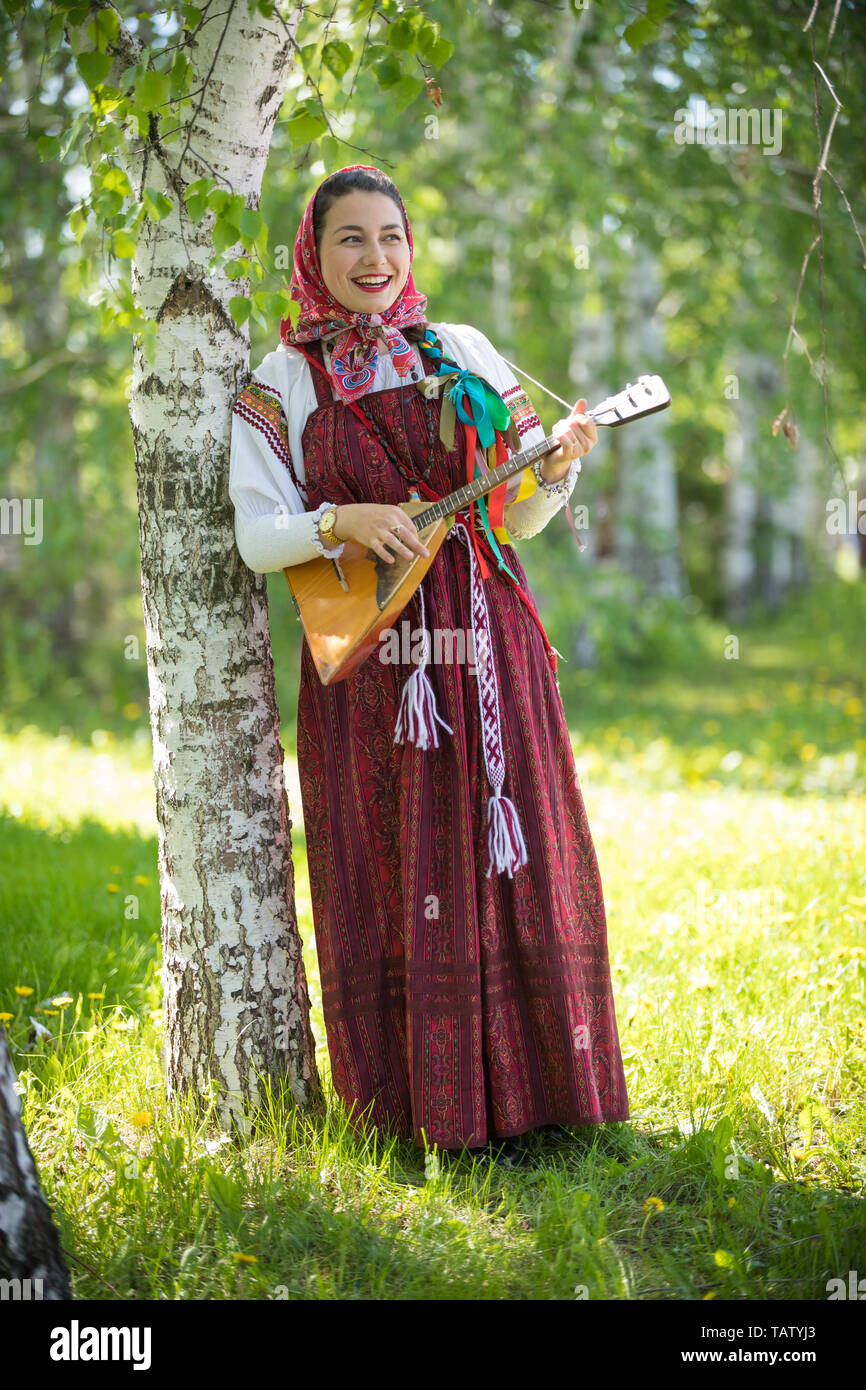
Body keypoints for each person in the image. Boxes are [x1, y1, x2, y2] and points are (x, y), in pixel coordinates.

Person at [229, 164, 629, 1164]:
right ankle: (424, 1113)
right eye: (349, 240)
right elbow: (255, 536)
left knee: (513, 852)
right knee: (392, 861)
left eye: (390, 237)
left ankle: (546, 1099)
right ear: (311, 258)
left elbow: (519, 512)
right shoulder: (278, 381)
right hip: (374, 664)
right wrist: (342, 520)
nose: (373, 258)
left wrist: (559, 463)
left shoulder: (460, 351)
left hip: (487, 642)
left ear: (412, 248)